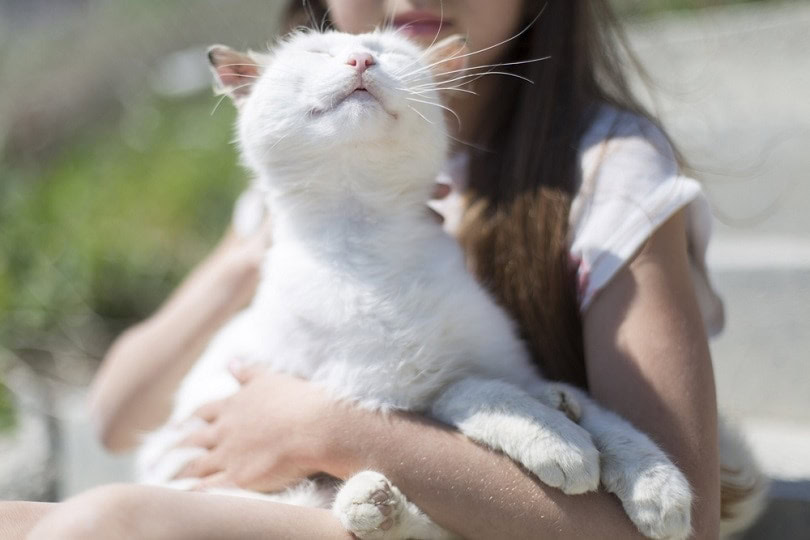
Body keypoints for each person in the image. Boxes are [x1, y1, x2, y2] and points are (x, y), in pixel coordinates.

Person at [3, 1, 734, 538]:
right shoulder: (313, 172)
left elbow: (682, 526)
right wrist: (252, 246)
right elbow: (116, 416)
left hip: (457, 512)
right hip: (274, 492)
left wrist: (321, 427)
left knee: (106, 523)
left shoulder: (608, 174)